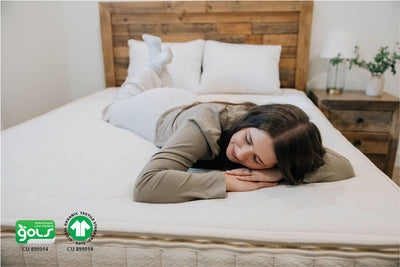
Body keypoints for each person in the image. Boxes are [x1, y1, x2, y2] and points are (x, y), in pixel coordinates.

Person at [103, 34, 355, 204]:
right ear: (249, 121)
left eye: (257, 159)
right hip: (160, 111)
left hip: (189, 103)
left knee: (164, 90)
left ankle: (160, 63)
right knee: (115, 107)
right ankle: (153, 64)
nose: (241, 153)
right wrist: (226, 181)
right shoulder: (205, 129)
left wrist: (278, 173)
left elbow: (344, 166)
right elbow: (146, 185)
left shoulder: (277, 132)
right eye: (247, 139)